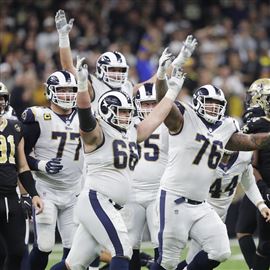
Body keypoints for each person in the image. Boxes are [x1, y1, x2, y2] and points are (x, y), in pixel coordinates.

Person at [51, 46, 185, 270]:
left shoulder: (132, 131)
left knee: (73, 265)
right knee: (123, 250)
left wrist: (171, 93)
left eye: (127, 112)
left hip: (108, 204)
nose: (127, 115)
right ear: (107, 111)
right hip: (97, 200)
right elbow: (84, 114)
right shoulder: (97, 134)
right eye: (122, 112)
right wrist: (82, 86)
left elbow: (156, 116)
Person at [150, 36, 270, 270]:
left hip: (201, 204)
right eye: (209, 103)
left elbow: (252, 141)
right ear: (197, 103)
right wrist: (161, 77)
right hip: (174, 197)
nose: (213, 108)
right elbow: (164, 102)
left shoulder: (225, 128)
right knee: (167, 262)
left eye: (218, 104)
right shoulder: (184, 118)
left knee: (220, 251)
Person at [21, 70, 84, 270]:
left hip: (74, 190)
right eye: (62, 90)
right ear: (50, 91)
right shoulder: (38, 116)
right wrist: (41, 165)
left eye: (71, 90)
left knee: (74, 251)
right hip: (46, 190)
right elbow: (19, 156)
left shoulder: (84, 117)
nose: (66, 95)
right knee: (44, 245)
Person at [177, 149, 270, 270]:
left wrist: (261, 205)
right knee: (218, 253)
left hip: (219, 214)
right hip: (200, 212)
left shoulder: (243, 156)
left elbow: (249, 182)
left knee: (195, 259)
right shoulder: (204, 155)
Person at [120, 83, 169, 270]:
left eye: (153, 103)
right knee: (130, 244)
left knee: (161, 241)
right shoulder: (126, 122)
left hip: (159, 191)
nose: (149, 108)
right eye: (145, 104)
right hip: (131, 191)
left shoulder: (169, 125)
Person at [0, 81, 43, 269]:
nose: (1, 102)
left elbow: (23, 166)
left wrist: (31, 194)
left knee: (17, 252)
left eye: (2, 98)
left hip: (10, 196)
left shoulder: (15, 127)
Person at [236, 78, 270, 270]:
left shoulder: (259, 123)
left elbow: (253, 160)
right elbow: (253, 162)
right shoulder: (257, 122)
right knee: (243, 230)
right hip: (259, 185)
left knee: (265, 243)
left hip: (262, 183)